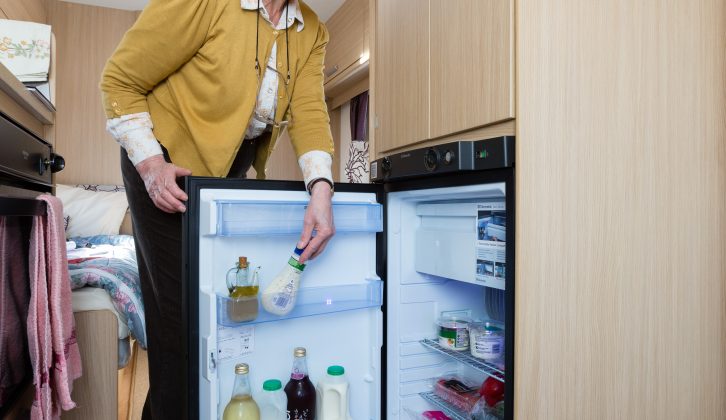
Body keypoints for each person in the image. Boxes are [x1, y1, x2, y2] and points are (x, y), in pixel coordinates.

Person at [100, 0, 335, 418]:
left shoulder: (311, 29)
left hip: (226, 168)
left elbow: (309, 112)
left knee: (217, 309)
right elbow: (120, 80)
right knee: (179, 316)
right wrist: (151, 164)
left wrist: (320, 189)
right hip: (163, 158)